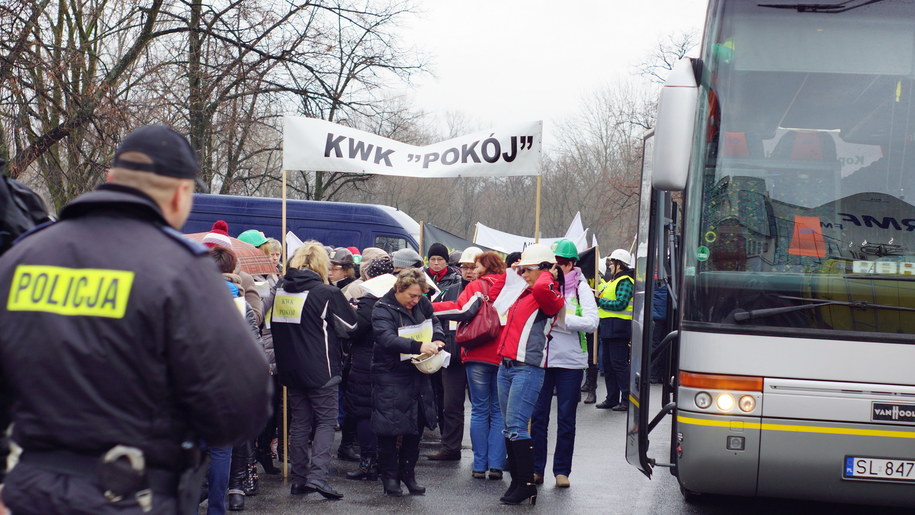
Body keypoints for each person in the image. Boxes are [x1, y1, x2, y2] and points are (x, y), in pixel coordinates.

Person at [0, 124, 271, 514]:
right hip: (129, 494)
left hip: (27, 490)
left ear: (111, 179)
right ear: (182, 194)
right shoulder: (180, 270)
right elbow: (241, 405)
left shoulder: (21, 258)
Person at [270, 241, 358, 500]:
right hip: (321, 369)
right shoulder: (325, 293)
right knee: (326, 422)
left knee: (299, 423)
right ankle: (318, 477)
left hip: (290, 368)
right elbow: (351, 326)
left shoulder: (282, 290)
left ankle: (299, 479)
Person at [497, 243, 564, 506]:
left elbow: (540, 285)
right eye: (521, 269)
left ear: (546, 270)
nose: (523, 273)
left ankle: (525, 484)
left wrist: (547, 269)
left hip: (527, 368)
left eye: (528, 269)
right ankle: (518, 481)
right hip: (507, 367)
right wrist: (524, 267)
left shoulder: (547, 293)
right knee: (509, 428)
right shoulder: (526, 292)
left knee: (516, 427)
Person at [433, 251, 507, 480]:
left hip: (477, 353)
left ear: (485, 267)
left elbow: (461, 309)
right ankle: (496, 465)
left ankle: (479, 465)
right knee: (498, 412)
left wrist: (431, 307)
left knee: (480, 410)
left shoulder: (477, 286)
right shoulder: (511, 286)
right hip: (502, 353)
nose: (473, 270)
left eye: (476, 266)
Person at [531, 239, 598, 488]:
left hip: (570, 362)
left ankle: (562, 471)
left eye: (560, 263)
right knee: (538, 417)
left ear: (571, 264)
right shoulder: (543, 284)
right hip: (542, 360)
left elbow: (593, 322)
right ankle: (537, 468)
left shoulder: (581, 287)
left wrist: (564, 320)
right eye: (552, 263)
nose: (556, 268)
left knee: (566, 419)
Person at [371, 269, 445, 497]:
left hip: (418, 372)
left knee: (415, 426)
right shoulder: (382, 309)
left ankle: (408, 474)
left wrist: (439, 338)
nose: (415, 300)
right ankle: (390, 477)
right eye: (411, 296)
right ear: (398, 290)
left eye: (419, 296)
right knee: (389, 429)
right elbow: (386, 338)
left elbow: (434, 322)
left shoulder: (422, 303)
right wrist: (418, 346)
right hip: (390, 374)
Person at [208, 246, 265, 513]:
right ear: (233, 271)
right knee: (221, 451)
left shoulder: (190, 299)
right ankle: (217, 507)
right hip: (229, 388)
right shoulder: (241, 307)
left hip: (193, 386)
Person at [344, 256, 395, 483]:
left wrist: (351, 313)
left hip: (366, 363)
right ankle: (386, 463)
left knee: (364, 412)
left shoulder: (369, 300)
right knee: (385, 413)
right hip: (392, 362)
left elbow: (355, 330)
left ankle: (368, 465)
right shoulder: (399, 298)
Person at [425, 242, 468, 462]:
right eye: (465, 266)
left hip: (482, 354)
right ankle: (450, 447)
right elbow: (436, 316)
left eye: (473, 266)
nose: (469, 271)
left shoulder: (491, 289)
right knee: (450, 404)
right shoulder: (449, 290)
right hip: (453, 351)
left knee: (488, 409)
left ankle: (490, 457)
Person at [595, 249, 635, 411]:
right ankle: (612, 398)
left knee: (619, 365)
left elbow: (621, 303)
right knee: (609, 365)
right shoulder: (614, 280)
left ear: (619, 264)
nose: (610, 265)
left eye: (612, 262)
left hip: (619, 328)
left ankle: (625, 399)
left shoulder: (625, 281)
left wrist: (600, 301)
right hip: (609, 327)